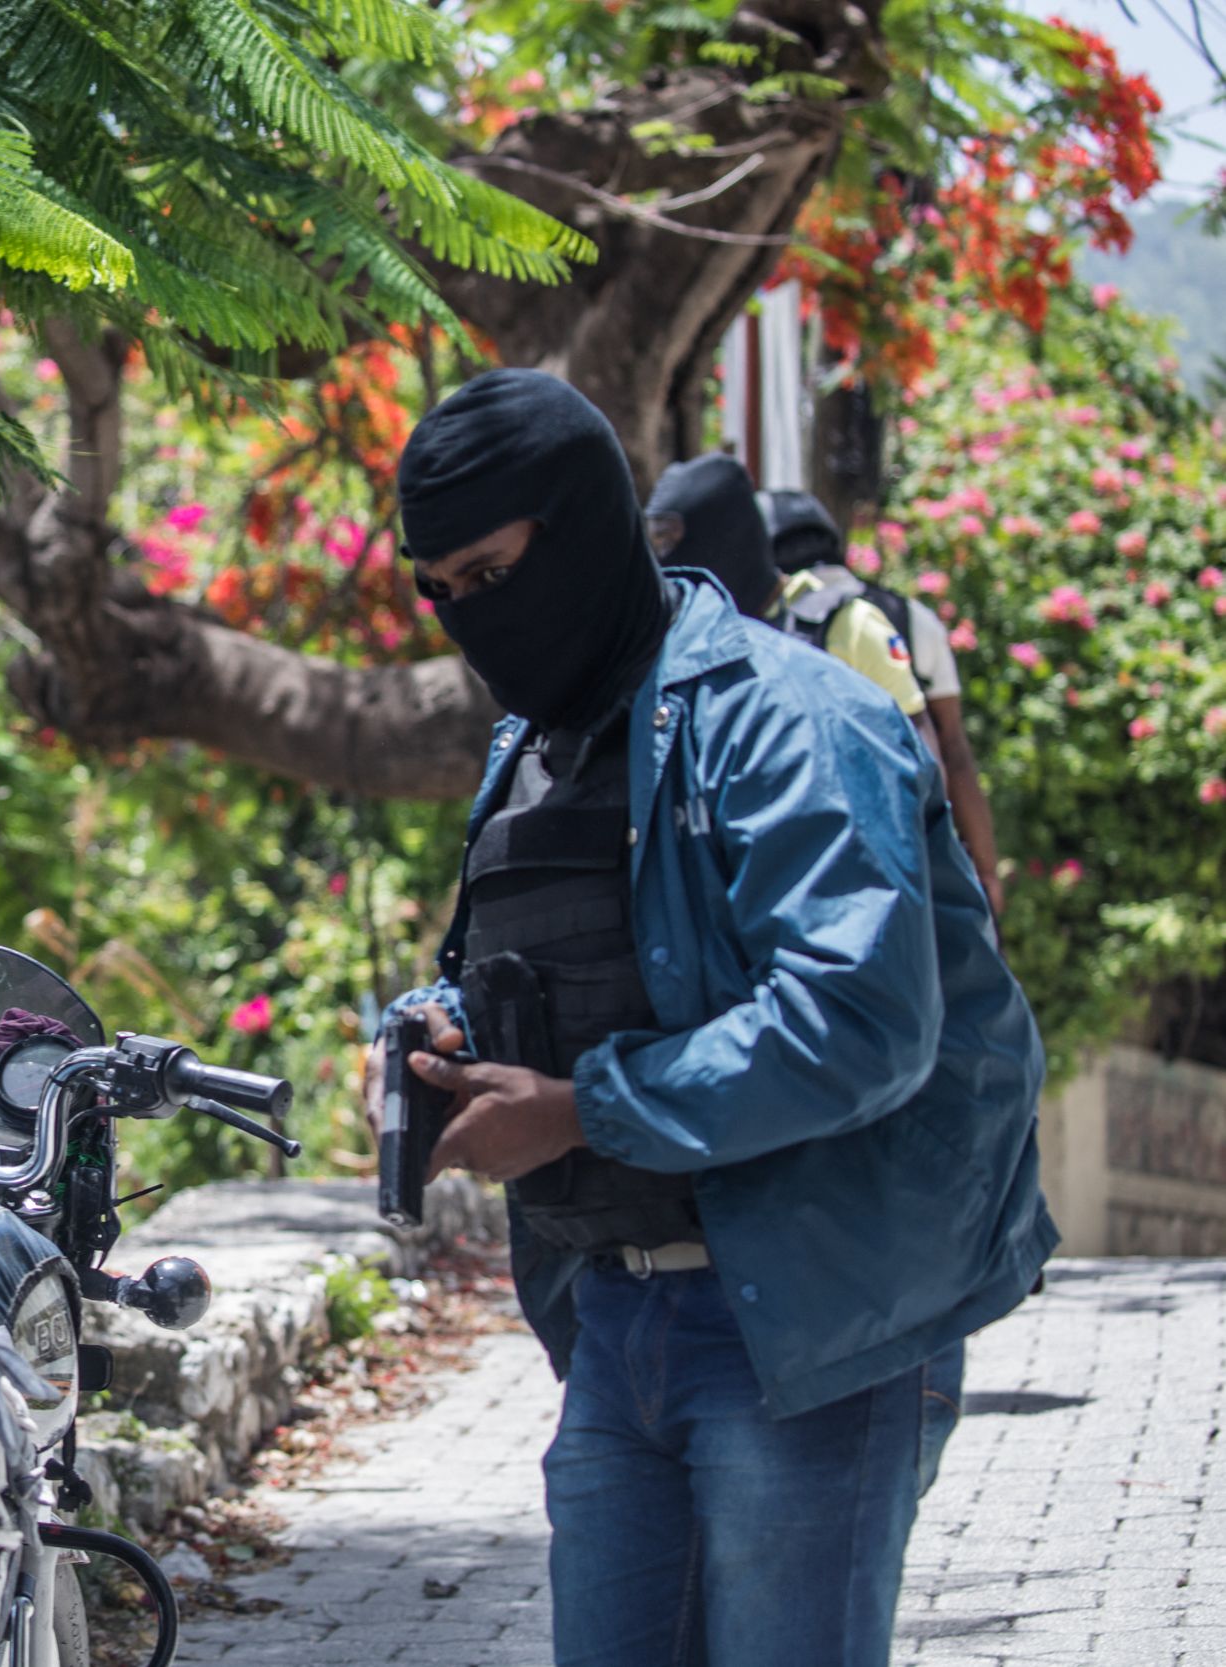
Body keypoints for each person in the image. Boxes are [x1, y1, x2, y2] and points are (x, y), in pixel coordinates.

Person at [381, 369, 1054, 1667]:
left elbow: (857, 1016)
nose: (475, 617)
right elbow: (535, 960)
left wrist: (585, 1111)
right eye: (440, 591)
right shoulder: (531, 746)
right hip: (608, 1317)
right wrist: (438, 1038)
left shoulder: (792, 716)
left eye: (493, 570)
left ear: (579, 526)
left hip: (803, 1327)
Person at [765, 488, 1006, 913]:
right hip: (911, 848)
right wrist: (984, 871)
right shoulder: (912, 618)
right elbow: (953, 749)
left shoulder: (764, 626)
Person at [644, 454, 939, 752]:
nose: (665, 560)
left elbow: (919, 758)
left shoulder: (847, 625)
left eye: (670, 540)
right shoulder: (685, 641)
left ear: (725, 535)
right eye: (657, 542)